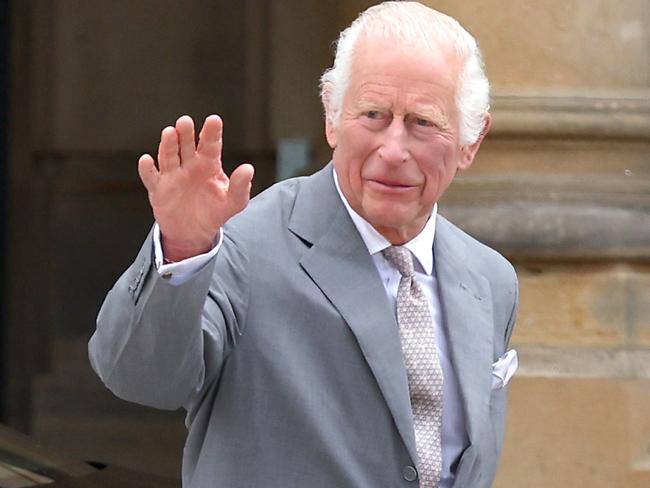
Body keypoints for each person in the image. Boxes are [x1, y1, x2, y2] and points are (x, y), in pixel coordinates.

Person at [89, 2, 518, 487]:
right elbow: (142, 378)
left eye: (422, 122)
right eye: (373, 115)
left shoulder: (489, 279)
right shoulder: (244, 243)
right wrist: (184, 248)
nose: (394, 151)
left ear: (470, 141)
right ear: (332, 118)